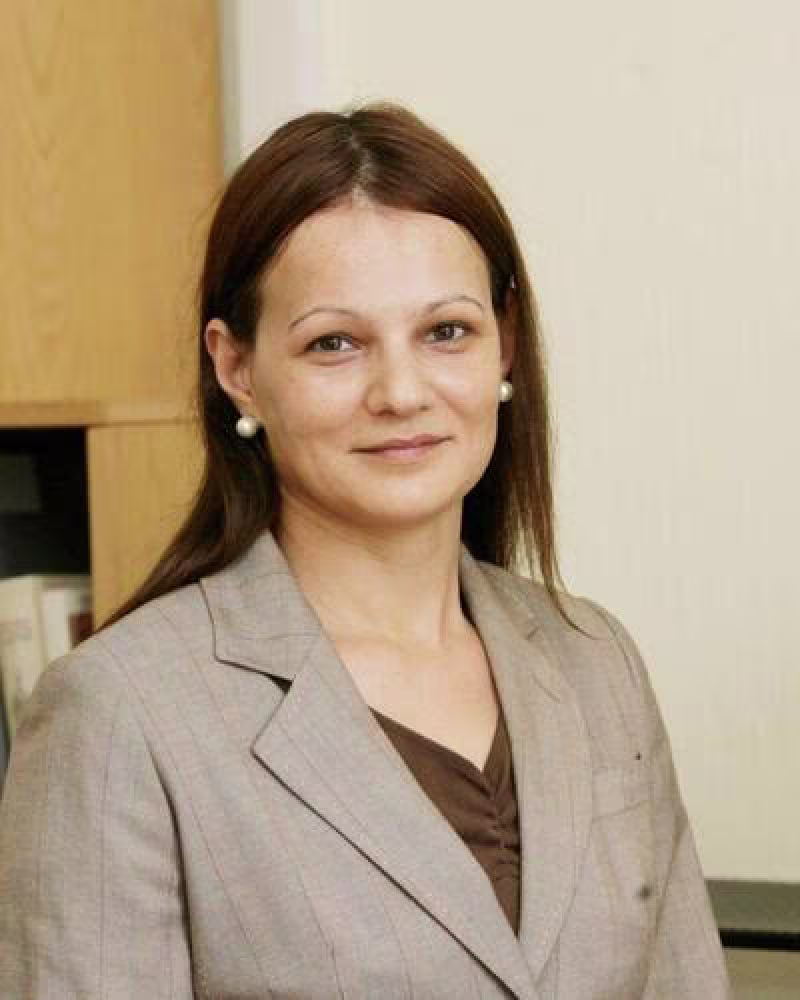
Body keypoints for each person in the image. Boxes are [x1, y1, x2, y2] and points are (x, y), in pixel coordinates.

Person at [0, 101, 731, 999]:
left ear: (505, 343)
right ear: (237, 370)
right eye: (335, 343)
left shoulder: (596, 661)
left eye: (446, 331)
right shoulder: (121, 712)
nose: (401, 391)